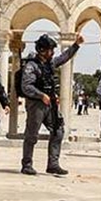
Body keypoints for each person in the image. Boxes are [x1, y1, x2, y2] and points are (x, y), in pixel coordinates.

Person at [19, 33, 84, 175]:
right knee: (31, 135)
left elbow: (63, 58)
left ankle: (53, 164)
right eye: (50, 50)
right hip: (36, 104)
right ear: (42, 50)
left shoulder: (49, 64)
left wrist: (76, 45)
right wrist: (41, 95)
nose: (52, 53)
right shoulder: (31, 66)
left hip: (50, 104)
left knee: (58, 130)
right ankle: (27, 164)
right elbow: (26, 86)